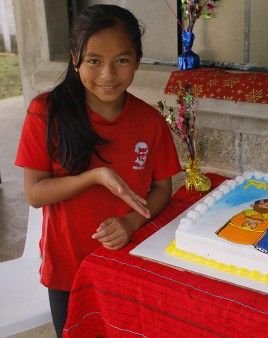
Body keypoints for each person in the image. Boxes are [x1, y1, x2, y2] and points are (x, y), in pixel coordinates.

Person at [15, 4, 181, 337]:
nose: (107, 75)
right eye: (94, 61)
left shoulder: (150, 122)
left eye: (121, 60)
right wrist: (94, 176)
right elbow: (35, 194)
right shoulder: (45, 113)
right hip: (69, 267)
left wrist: (131, 222)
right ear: (75, 58)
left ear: (137, 60)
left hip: (128, 263)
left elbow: (163, 188)